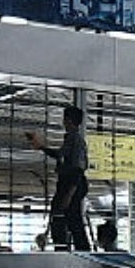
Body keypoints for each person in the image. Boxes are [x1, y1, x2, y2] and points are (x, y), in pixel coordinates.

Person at [44, 98, 91, 251]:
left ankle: (73, 249)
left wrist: (70, 193)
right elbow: (61, 155)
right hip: (70, 183)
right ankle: (65, 247)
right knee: (66, 217)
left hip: (72, 184)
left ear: (68, 120)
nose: (63, 121)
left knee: (70, 218)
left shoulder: (76, 140)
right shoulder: (71, 139)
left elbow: (78, 168)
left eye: (64, 118)